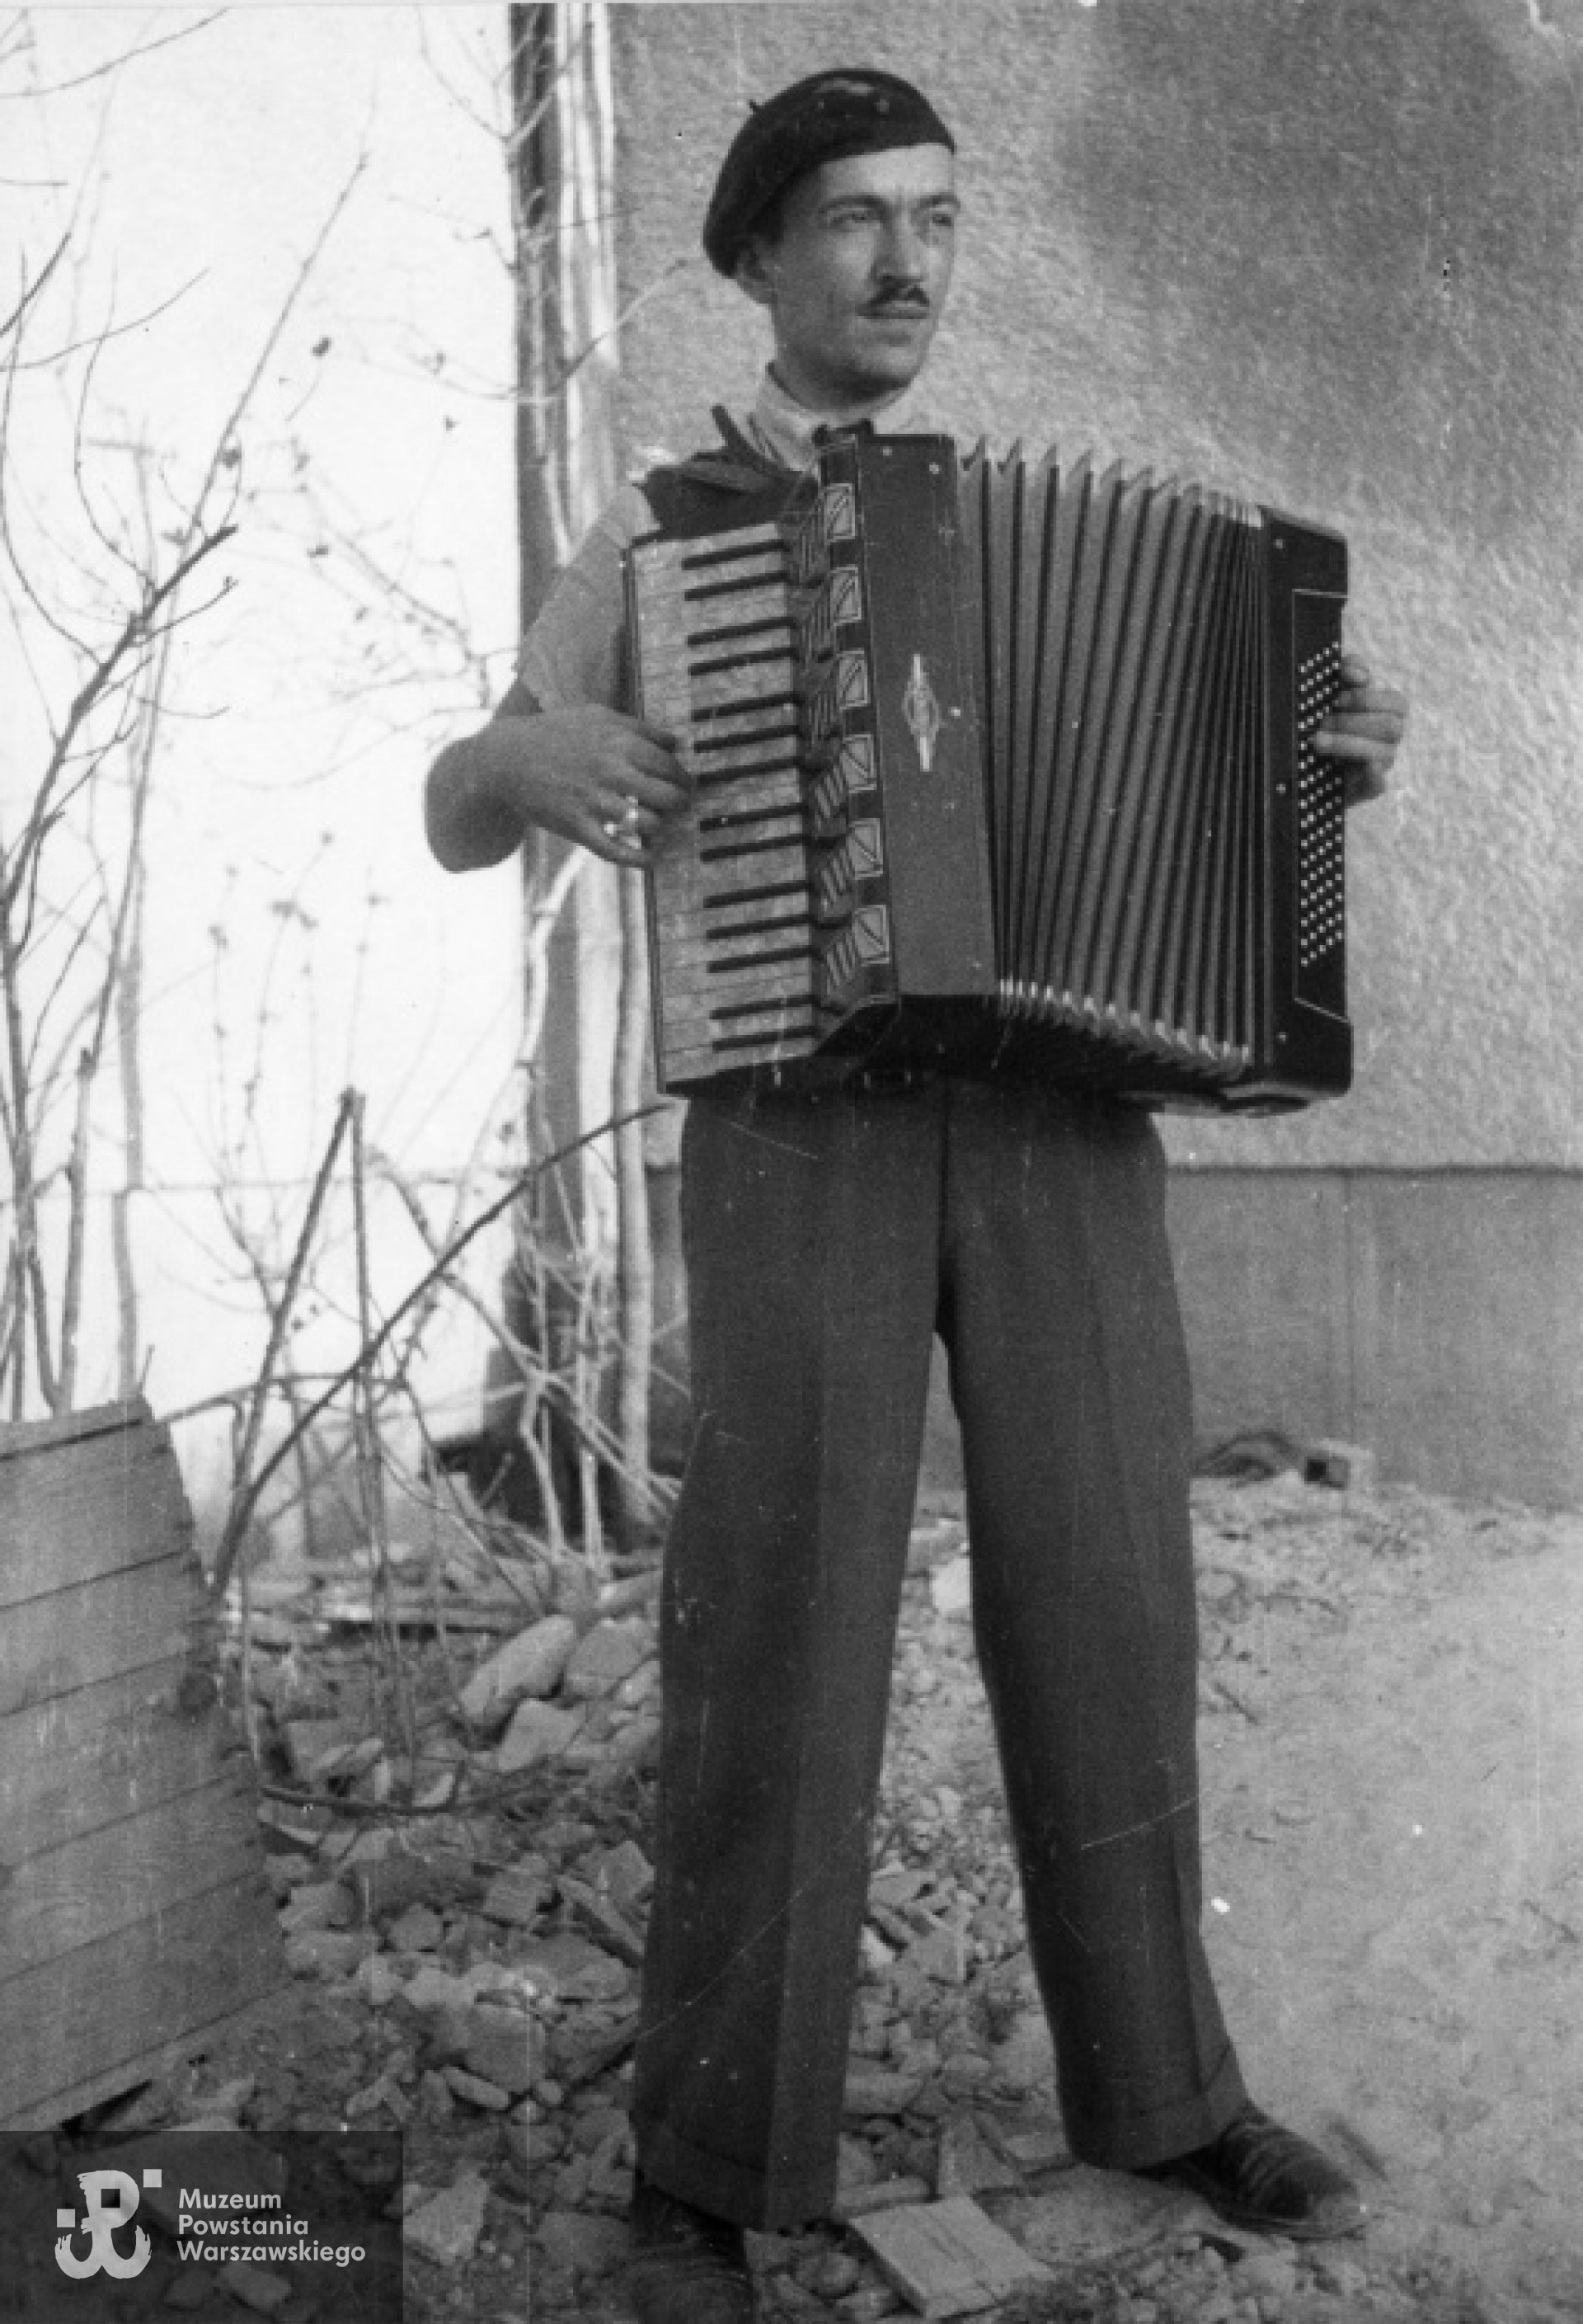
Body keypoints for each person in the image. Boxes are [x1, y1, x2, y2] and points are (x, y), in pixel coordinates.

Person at [425, 68, 1409, 2324]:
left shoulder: (1031, 506)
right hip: (797, 1125)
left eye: (940, 223)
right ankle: (714, 2152)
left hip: (1067, 1119)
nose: (905, 266)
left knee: (1111, 1598)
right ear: (763, 257)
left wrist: (1328, 746)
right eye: (857, 222)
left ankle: (1164, 2090)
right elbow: (460, 798)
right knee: (777, 1611)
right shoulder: (658, 527)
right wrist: (526, 759)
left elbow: (1234, 772)